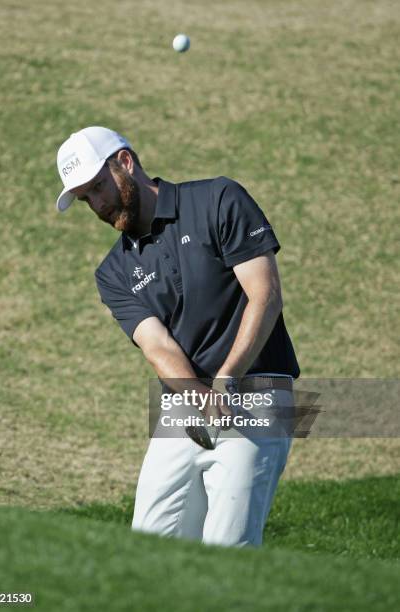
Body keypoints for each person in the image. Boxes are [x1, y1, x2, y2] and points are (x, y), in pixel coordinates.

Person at [55, 126, 300, 547]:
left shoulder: (218, 199)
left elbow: (266, 295)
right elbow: (158, 347)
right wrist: (202, 397)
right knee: (147, 553)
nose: (97, 204)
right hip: (183, 409)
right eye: (85, 198)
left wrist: (226, 379)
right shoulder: (112, 272)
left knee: (228, 553)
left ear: (126, 163)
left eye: (98, 187)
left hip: (258, 393)